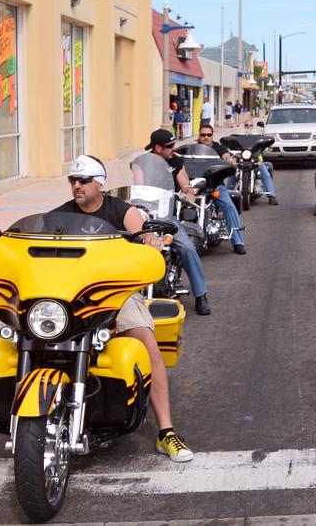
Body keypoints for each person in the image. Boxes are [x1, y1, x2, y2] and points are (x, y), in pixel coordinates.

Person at [52, 155, 194, 462]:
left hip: (116, 292)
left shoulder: (121, 210)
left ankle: (166, 431)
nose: (77, 186)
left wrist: (151, 242)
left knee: (146, 340)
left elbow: (145, 233)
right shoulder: (60, 216)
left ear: (99, 184)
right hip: (71, 294)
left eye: (83, 181)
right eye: (72, 180)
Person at [145, 129, 213, 315]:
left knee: (187, 248)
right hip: (146, 214)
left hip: (167, 215)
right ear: (157, 148)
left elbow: (184, 183)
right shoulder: (143, 164)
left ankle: (201, 294)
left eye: (174, 145)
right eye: (169, 146)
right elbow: (138, 186)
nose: (173, 149)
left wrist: (189, 193)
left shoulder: (175, 161)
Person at [194, 123, 249, 253]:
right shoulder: (193, 148)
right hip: (195, 186)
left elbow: (226, 156)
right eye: (203, 135)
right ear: (199, 136)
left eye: (209, 135)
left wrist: (229, 161)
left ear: (212, 136)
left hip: (215, 186)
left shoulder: (219, 148)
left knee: (229, 207)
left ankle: (238, 242)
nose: (206, 137)